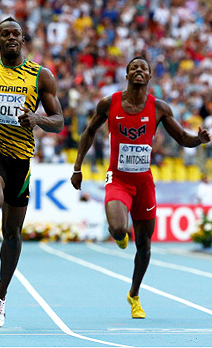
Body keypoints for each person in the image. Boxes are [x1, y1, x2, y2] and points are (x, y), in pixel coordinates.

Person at [70, 57, 211, 319]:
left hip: (144, 182)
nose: (138, 70)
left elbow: (182, 138)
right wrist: (77, 167)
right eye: (134, 67)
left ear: (149, 77)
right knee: (118, 228)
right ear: (126, 74)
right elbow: (88, 132)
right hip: (118, 179)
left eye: (143, 68)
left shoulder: (158, 108)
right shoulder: (109, 103)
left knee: (144, 244)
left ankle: (134, 294)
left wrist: (198, 140)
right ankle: (120, 233)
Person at [0, 17, 64, 328]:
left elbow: (58, 120)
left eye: (16, 33)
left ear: (22, 39)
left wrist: (38, 120)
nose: (11, 38)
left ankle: (0, 295)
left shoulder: (41, 76)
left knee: (15, 234)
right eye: (5, 34)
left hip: (21, 161)